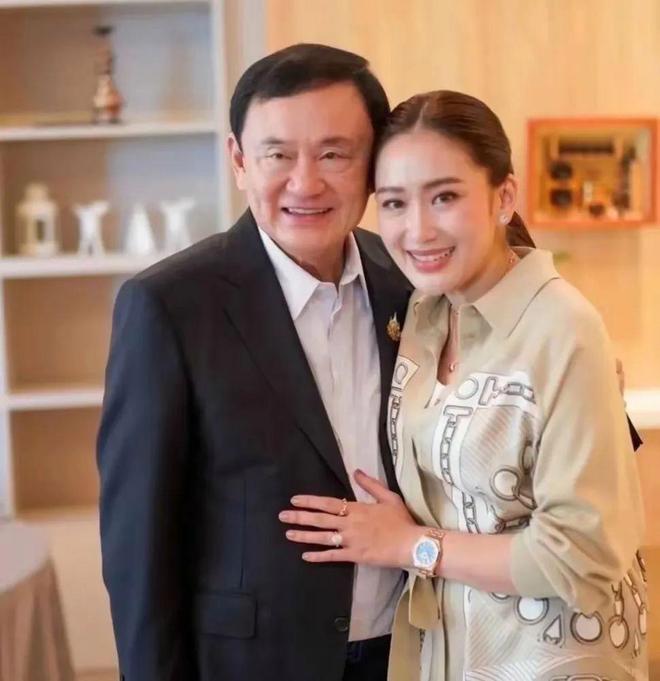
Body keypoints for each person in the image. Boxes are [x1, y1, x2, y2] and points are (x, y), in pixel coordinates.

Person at [280, 90, 648, 680]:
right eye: (394, 203)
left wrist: (410, 545)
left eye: (445, 197)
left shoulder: (563, 328)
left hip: (553, 660)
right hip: (451, 652)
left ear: (504, 197)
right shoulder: (423, 315)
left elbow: (581, 555)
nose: (418, 229)